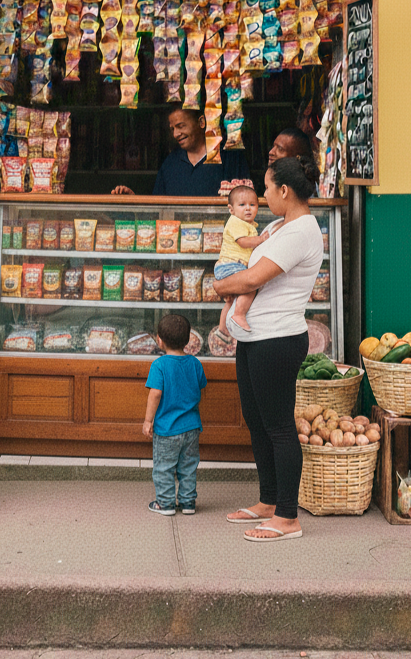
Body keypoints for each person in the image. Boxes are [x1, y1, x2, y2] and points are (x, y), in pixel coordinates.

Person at [214, 156, 323, 541]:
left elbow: (254, 277)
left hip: (277, 339)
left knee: (278, 426)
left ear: (284, 191)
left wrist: (220, 287)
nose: (261, 195)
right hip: (254, 338)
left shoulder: (301, 232)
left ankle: (288, 517)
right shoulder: (279, 225)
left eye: (266, 188)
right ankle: (268, 500)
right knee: (257, 422)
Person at [142, 314, 207, 516]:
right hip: (192, 427)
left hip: (167, 428)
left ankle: (166, 503)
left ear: (159, 340)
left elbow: (155, 394)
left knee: (164, 467)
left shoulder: (159, 365)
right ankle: (188, 503)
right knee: (188, 466)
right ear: (188, 340)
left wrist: (148, 420)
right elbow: (200, 388)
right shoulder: (195, 363)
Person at [112, 107, 249, 196]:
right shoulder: (171, 163)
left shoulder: (229, 156)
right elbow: (158, 207)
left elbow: (246, 202)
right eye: (172, 129)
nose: (176, 134)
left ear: (201, 122)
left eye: (181, 126)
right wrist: (134, 201)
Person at [215, 184, 271, 334]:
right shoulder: (235, 222)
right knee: (250, 287)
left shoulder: (248, 224)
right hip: (231, 265)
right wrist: (261, 240)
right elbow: (243, 242)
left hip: (231, 266)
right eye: (242, 205)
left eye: (252, 205)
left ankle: (222, 328)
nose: (248, 208)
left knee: (231, 300)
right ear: (231, 209)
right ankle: (239, 314)